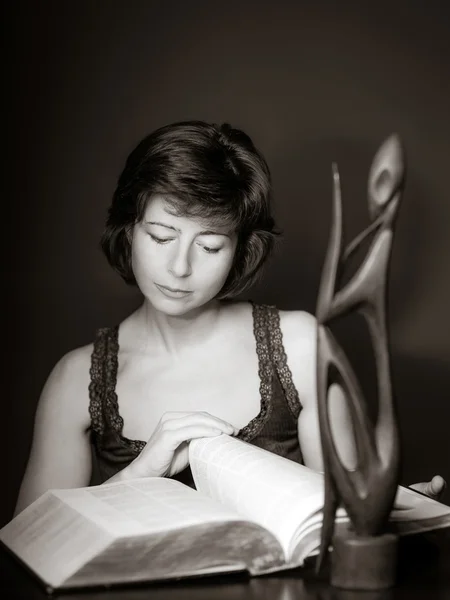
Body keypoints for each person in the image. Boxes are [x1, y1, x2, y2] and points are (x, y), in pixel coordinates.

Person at [14, 120, 445, 516]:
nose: (179, 267)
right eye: (162, 236)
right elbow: (27, 548)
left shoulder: (300, 346)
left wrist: (379, 518)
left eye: (210, 246)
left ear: (240, 250)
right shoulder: (76, 380)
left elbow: (342, 518)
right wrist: (135, 477)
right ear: (129, 230)